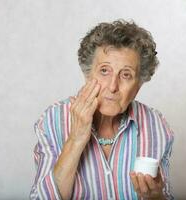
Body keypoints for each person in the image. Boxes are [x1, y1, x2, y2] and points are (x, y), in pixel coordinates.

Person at [30, 19, 174, 200]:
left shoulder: (155, 125)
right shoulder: (53, 120)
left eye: (126, 75)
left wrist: (156, 197)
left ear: (139, 84)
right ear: (87, 74)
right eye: (104, 71)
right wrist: (75, 139)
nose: (113, 86)